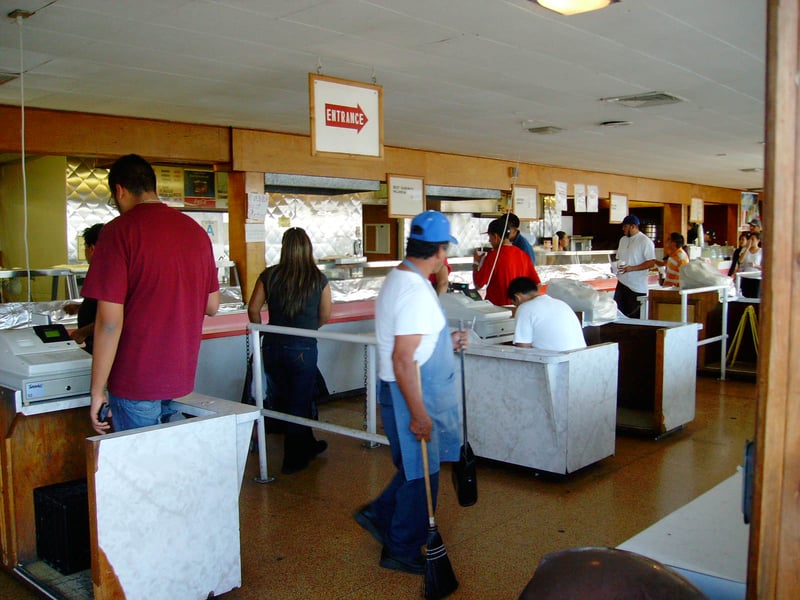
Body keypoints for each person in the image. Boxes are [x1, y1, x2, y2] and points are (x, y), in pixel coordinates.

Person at [354, 210, 467, 575]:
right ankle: (400, 549)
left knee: (412, 470)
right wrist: (419, 415)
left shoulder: (398, 277)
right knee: (422, 477)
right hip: (412, 395)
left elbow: (412, 343)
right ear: (440, 251)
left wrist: (444, 341)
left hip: (400, 390)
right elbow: (404, 360)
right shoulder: (417, 292)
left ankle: (379, 514)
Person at [83, 154, 220, 435]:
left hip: (135, 379)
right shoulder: (196, 232)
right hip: (180, 377)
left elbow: (109, 322)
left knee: (140, 470)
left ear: (119, 191)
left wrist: (97, 390)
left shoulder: (117, 233)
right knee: (168, 463)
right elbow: (212, 305)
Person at [247, 227, 332, 474]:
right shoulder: (318, 278)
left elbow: (253, 308)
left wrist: (262, 330)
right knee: (300, 399)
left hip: (273, 345)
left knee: (287, 397)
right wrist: (309, 328)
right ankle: (293, 459)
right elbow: (326, 314)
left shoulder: (269, 275)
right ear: (308, 248)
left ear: (284, 249)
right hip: (303, 348)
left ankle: (309, 444)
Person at [473, 218, 540, 306]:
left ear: (496, 237)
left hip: (497, 308)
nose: (489, 241)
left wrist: (476, 263)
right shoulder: (523, 255)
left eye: (490, 237)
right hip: (518, 308)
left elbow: (478, 285)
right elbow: (538, 284)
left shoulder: (493, 256)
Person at [508, 277, 586, 351]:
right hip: (580, 359)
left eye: (515, 304)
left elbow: (523, 349)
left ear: (517, 297)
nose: (517, 307)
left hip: (556, 362)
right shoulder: (560, 303)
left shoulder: (524, 308)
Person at [64, 223, 104, 353]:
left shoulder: (107, 273)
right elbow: (102, 304)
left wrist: (82, 333)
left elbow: (110, 317)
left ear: (91, 248)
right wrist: (81, 308)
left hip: (101, 346)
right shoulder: (98, 272)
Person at [613, 214, 656, 318]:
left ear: (633, 226)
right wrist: (615, 266)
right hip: (622, 283)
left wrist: (632, 268)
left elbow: (651, 262)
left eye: (625, 226)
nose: (623, 229)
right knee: (618, 315)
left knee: (634, 317)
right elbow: (619, 258)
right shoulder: (622, 240)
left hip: (636, 287)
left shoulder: (645, 241)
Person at [738, 232, 762, 298]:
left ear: (758, 240)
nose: (750, 241)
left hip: (756, 278)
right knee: (745, 298)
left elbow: (765, 267)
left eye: (753, 239)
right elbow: (740, 261)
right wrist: (747, 248)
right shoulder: (744, 250)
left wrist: (756, 265)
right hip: (746, 278)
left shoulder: (761, 251)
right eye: (750, 239)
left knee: (755, 298)